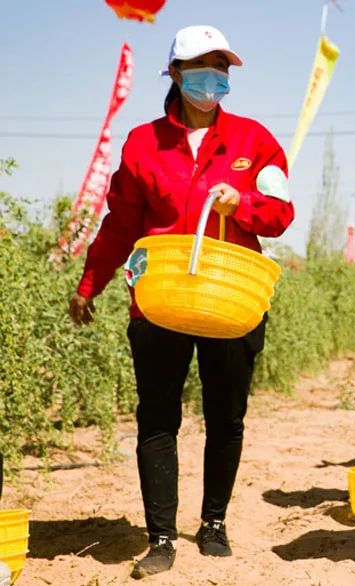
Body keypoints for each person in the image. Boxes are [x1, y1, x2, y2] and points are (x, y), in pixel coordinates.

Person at [68, 25, 294, 579]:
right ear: (173, 73)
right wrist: (89, 282)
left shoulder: (254, 140)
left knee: (226, 415)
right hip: (161, 299)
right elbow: (121, 223)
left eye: (222, 66)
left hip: (230, 299)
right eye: (200, 66)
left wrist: (241, 201)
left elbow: (280, 214)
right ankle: (161, 535)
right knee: (158, 417)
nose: (212, 77)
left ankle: (213, 522)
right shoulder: (143, 143)